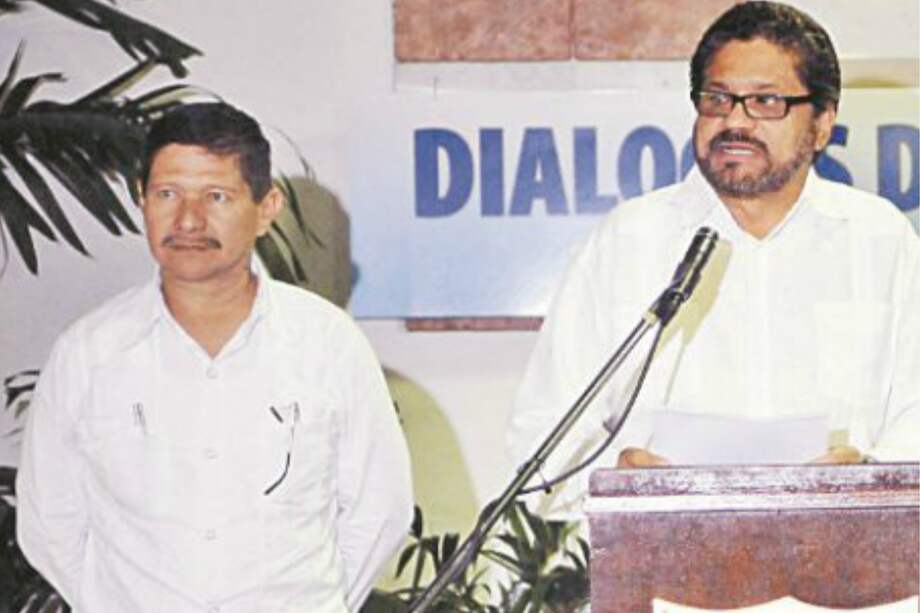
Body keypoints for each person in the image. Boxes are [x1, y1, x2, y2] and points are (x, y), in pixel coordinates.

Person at [507, 1, 919, 516]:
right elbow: (545, 432)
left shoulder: (880, 239)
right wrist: (620, 479)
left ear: (822, 124)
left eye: (766, 101)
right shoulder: (629, 240)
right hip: (664, 575)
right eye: (717, 99)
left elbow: (915, 414)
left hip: (842, 574)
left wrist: (863, 481)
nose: (735, 121)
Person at [16, 102, 414, 612]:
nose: (187, 219)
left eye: (217, 196)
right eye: (166, 194)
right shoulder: (89, 353)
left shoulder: (327, 344)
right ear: (141, 199)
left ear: (266, 208)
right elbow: (51, 522)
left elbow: (379, 509)